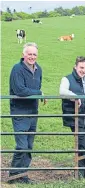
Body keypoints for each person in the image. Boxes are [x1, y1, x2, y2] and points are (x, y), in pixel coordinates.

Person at [8, 42, 47, 184]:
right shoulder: (17, 69)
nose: (32, 56)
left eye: (34, 54)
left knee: (29, 146)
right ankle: (13, 175)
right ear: (23, 55)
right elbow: (20, 90)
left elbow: (37, 87)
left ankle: (23, 175)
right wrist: (39, 93)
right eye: (29, 54)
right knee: (22, 146)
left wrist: (38, 94)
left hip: (33, 112)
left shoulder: (39, 70)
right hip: (19, 112)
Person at [59, 56, 85, 179]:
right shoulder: (67, 79)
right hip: (75, 119)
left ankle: (81, 175)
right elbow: (62, 91)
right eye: (81, 67)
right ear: (75, 66)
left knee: (81, 147)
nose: (83, 70)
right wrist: (75, 96)